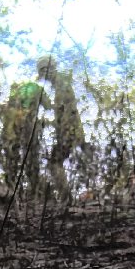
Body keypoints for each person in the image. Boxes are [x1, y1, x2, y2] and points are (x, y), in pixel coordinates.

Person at [38, 55, 84, 198]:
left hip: (69, 131)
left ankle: (66, 198)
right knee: (57, 162)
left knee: (54, 163)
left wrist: (64, 132)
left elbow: (66, 112)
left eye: (42, 71)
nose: (42, 76)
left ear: (48, 69)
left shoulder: (61, 84)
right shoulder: (60, 82)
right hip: (69, 130)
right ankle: (68, 197)